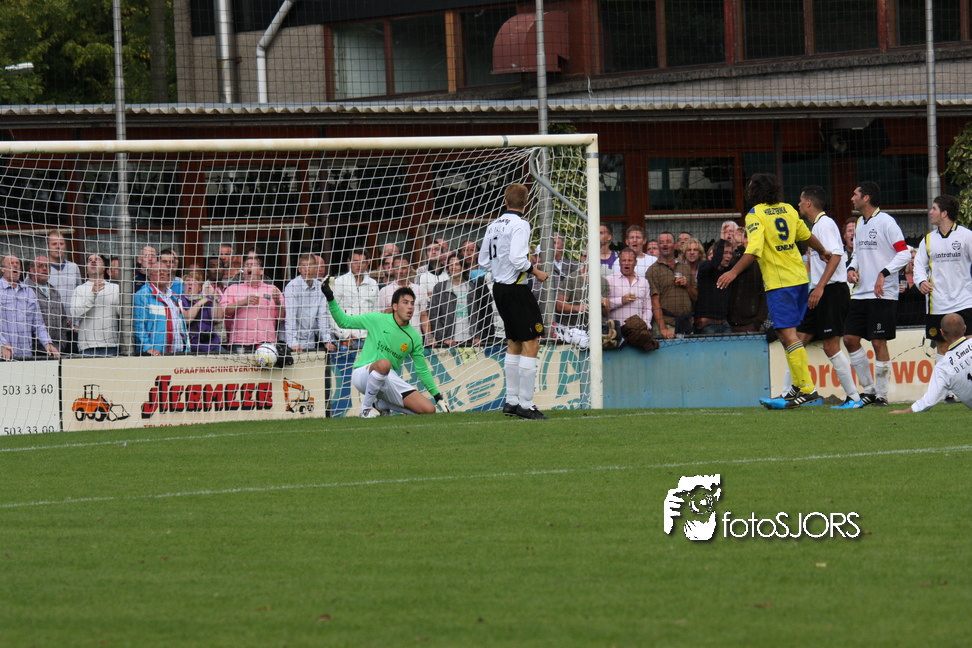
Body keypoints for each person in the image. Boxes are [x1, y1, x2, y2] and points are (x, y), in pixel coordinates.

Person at [716, 173, 832, 408]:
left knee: (787, 334)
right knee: (786, 333)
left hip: (781, 283)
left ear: (754, 192)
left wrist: (733, 272)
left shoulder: (755, 214)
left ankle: (807, 388)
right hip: (800, 278)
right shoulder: (788, 209)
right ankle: (797, 386)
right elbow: (806, 235)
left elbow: (754, 249)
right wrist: (822, 250)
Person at [479, 182, 551, 420]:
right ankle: (526, 405)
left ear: (506, 201)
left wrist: (500, 269)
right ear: (526, 203)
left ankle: (511, 402)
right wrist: (537, 272)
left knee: (514, 342)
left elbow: (483, 261)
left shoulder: (493, 225)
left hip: (499, 289)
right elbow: (519, 259)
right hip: (516, 289)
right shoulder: (521, 224)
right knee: (531, 343)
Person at [322, 281, 446, 417]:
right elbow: (343, 321)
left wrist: (437, 396)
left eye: (412, 303)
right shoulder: (377, 319)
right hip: (363, 373)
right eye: (405, 302)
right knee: (384, 364)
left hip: (388, 377)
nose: (410, 307)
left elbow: (422, 369)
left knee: (428, 410)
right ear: (395, 306)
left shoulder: (414, 336)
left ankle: (382, 404)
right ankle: (366, 409)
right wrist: (330, 297)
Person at [789, 185, 863, 409]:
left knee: (831, 347)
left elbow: (837, 256)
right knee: (797, 341)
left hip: (831, 291)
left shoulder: (826, 224)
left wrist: (820, 287)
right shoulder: (816, 226)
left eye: (800, 201)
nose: (798, 204)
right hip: (819, 292)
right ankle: (787, 394)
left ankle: (854, 398)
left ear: (809, 203)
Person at [843, 181, 912, 407]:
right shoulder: (859, 223)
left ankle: (882, 396)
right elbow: (857, 254)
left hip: (882, 294)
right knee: (849, 339)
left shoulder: (886, 222)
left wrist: (884, 273)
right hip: (861, 293)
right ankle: (870, 390)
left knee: (878, 341)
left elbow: (904, 254)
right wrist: (851, 268)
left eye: (855, 194)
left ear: (867, 197)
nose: (852, 198)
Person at [913, 194, 972, 357]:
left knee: (968, 346)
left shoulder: (966, 236)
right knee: (943, 349)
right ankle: (943, 376)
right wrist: (921, 281)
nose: (930, 212)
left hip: (964, 302)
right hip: (938, 304)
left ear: (944, 213)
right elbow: (919, 266)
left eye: (934, 209)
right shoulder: (928, 240)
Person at [891, 313, 972, 412]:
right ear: (965, 329)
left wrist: (905, 411)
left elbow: (929, 400)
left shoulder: (942, 366)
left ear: (941, 332)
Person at [0, 255, 60, 360]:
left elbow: (38, 323)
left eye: (17, 263)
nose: (15, 265)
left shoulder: (28, 291)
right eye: (11, 263)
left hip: (25, 355)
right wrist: (2, 343)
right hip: (3, 355)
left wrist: (47, 343)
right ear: (2, 269)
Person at [221, 256, 285, 353]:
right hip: (240, 342)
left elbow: (282, 317)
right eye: (246, 265)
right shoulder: (233, 288)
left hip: (266, 341)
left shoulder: (272, 289)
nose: (249, 267)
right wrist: (243, 302)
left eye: (252, 265)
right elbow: (225, 311)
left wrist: (277, 302)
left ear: (261, 271)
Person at [428, 253, 493, 347]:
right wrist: (443, 338)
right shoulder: (440, 288)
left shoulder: (471, 287)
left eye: (457, 264)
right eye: (451, 265)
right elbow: (433, 316)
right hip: (448, 341)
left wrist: (478, 336)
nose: (453, 267)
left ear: (464, 267)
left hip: (470, 340)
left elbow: (477, 315)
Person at [647, 231, 697, 339]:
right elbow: (654, 302)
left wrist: (687, 285)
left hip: (687, 324)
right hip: (667, 325)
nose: (665, 245)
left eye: (668, 242)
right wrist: (663, 328)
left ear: (675, 245)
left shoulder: (685, 267)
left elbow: (695, 297)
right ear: (658, 246)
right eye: (661, 242)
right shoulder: (652, 270)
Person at [133, 262, 189, 356]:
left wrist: (186, 346)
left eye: (164, 271)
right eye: (158, 271)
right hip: (155, 355)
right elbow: (139, 325)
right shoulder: (143, 295)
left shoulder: (173, 297)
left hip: (178, 352)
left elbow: (180, 324)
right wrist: (148, 348)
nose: (162, 273)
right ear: (150, 276)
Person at [283, 253, 335, 353]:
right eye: (303, 266)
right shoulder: (291, 287)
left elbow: (322, 316)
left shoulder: (320, 287)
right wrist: (293, 343)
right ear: (299, 269)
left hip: (311, 341)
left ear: (315, 268)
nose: (307, 269)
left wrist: (327, 340)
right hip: (293, 342)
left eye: (310, 265)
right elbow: (290, 317)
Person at [72, 253, 121, 356]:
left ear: (104, 268)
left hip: (111, 345)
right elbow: (75, 314)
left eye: (97, 259)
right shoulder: (79, 289)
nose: (93, 261)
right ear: (86, 268)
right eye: (90, 260)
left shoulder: (115, 288)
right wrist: (92, 294)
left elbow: (122, 314)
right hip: (88, 346)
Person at [331, 249, 379, 348]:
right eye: (355, 261)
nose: (358, 265)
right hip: (345, 340)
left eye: (362, 262)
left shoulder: (373, 284)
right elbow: (331, 311)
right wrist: (344, 334)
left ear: (367, 263)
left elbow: (376, 312)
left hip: (368, 339)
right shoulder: (340, 282)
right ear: (349, 262)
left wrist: (373, 334)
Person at [24, 256, 70, 354]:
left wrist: (61, 344)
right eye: (40, 266)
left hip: (57, 350)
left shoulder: (54, 292)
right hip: (34, 351)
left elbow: (63, 320)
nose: (45, 268)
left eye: (47, 266)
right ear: (31, 270)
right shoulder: (24, 290)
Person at [378, 256, 429, 339]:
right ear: (393, 269)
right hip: (393, 338)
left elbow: (424, 316)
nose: (400, 271)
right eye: (397, 268)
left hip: (415, 338)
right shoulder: (384, 291)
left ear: (410, 269)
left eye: (404, 268)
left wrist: (429, 336)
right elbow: (381, 318)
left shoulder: (419, 290)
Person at [693, 239, 734, 335]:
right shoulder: (704, 266)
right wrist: (722, 240)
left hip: (724, 323)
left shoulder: (728, 270)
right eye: (725, 253)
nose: (729, 256)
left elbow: (740, 263)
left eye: (730, 253)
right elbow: (714, 263)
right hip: (706, 324)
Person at [179, 270, 224, 353]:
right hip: (191, 346)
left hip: (211, 345)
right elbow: (186, 319)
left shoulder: (208, 300)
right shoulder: (180, 300)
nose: (190, 283)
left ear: (200, 287)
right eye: (187, 281)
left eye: (194, 282)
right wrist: (200, 303)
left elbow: (218, 318)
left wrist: (214, 296)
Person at [606, 248, 652, 328]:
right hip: (616, 330)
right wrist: (621, 300)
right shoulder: (609, 280)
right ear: (619, 262)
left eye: (630, 260)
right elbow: (603, 306)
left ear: (635, 262)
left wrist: (645, 325)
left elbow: (647, 308)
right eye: (624, 260)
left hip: (637, 330)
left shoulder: (643, 282)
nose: (626, 263)